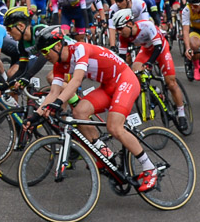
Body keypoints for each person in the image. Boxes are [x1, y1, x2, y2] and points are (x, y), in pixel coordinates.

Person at [31, 26, 159, 192]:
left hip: (125, 79)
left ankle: (150, 168)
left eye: (45, 51)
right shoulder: (59, 65)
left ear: (57, 46)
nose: (45, 56)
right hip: (107, 86)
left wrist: (58, 102)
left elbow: (76, 81)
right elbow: (54, 92)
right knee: (79, 112)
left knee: (114, 127)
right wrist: (34, 117)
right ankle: (106, 153)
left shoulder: (79, 49)